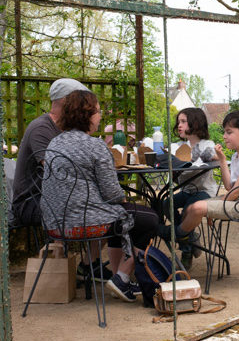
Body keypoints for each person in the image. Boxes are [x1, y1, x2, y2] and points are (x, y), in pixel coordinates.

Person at [41, 89, 158, 303]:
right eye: (97, 111)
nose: (100, 116)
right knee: (149, 218)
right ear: (86, 115)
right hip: (86, 221)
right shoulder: (95, 146)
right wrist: (123, 201)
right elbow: (112, 194)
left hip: (55, 223)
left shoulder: (54, 143)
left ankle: (118, 277)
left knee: (120, 215)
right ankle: (123, 276)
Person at [159, 110, 239, 246]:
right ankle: (187, 238)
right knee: (191, 208)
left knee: (198, 207)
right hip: (237, 202)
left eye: (229, 132)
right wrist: (222, 160)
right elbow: (229, 186)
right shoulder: (236, 156)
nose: (224, 136)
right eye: (224, 132)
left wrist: (212, 206)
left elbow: (234, 193)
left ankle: (175, 234)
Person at [12, 78, 90, 226]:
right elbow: (58, 171)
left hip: (56, 199)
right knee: (99, 212)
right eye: (80, 101)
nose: (84, 107)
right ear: (66, 101)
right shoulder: (41, 129)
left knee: (106, 211)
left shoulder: (67, 129)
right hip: (31, 203)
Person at [163, 108, 218, 269]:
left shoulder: (207, 144)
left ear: (195, 123)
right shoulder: (179, 146)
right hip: (186, 190)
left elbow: (215, 156)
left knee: (188, 210)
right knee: (165, 204)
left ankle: (186, 250)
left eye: (183, 122)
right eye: (178, 122)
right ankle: (190, 237)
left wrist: (199, 156)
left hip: (204, 191)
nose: (179, 125)